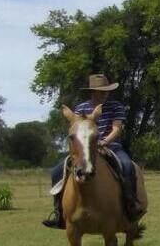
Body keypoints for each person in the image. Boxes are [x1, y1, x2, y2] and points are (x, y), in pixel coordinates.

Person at [43, 74, 142, 229]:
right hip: (84, 148)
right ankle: (59, 213)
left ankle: (131, 204)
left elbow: (117, 128)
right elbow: (76, 130)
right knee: (56, 171)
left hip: (111, 146)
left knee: (127, 165)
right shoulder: (81, 108)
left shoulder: (116, 106)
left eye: (106, 91)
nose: (104, 94)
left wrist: (105, 141)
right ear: (93, 91)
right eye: (101, 91)